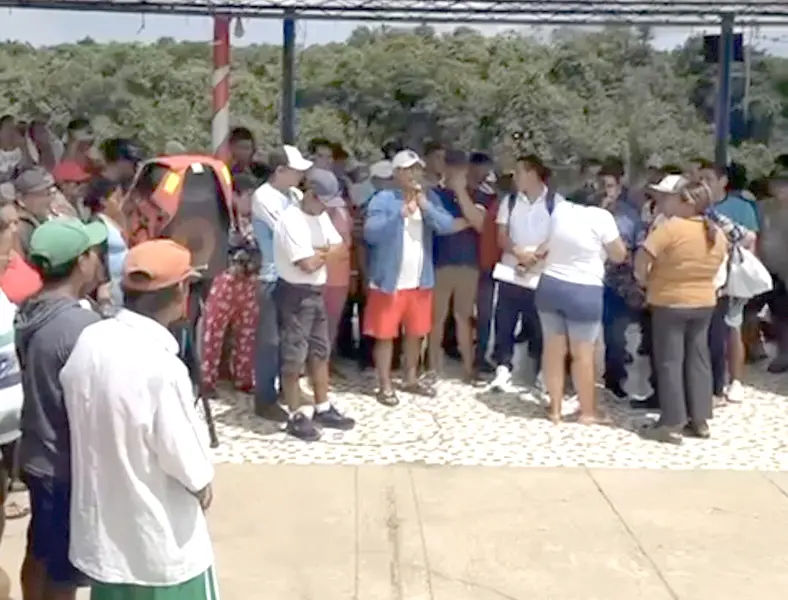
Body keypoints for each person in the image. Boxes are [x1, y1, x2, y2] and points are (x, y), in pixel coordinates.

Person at [60, 239, 218, 600]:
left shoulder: (90, 341)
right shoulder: (162, 366)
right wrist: (203, 486)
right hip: (162, 550)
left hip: (105, 545)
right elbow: (189, 464)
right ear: (181, 291)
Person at [15, 216, 108, 600]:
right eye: (92, 251)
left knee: (39, 551)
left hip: (37, 455)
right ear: (82, 261)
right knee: (63, 575)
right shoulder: (81, 327)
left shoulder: (30, 311)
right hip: (66, 466)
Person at [635, 179, 727, 444]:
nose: (670, 202)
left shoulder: (670, 228)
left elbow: (643, 260)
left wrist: (646, 282)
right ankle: (699, 419)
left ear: (688, 202)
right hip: (703, 302)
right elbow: (720, 261)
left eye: (675, 198)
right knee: (699, 359)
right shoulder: (715, 232)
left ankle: (672, 420)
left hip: (670, 301)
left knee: (670, 361)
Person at [363, 149, 456, 406]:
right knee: (385, 335)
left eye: (418, 169)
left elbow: (446, 226)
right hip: (389, 282)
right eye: (409, 169)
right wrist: (400, 213)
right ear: (397, 173)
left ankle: (411, 378)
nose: (415, 174)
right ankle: (385, 384)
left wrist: (426, 207)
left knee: (416, 332)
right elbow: (371, 233)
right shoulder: (383, 199)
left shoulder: (429, 197)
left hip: (419, 281)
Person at [274, 168, 355, 440]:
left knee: (320, 350)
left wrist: (320, 253)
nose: (326, 208)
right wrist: (324, 253)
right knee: (294, 354)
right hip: (295, 293)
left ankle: (322, 406)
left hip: (317, 291)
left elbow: (341, 247)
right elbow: (305, 264)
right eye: (323, 201)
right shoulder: (291, 220)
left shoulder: (322, 218)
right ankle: (296, 413)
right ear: (311, 194)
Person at [535, 187, 627, 423]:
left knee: (553, 351)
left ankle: (554, 409)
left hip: (551, 284)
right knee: (582, 354)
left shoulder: (560, 210)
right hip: (584, 290)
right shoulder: (602, 218)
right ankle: (587, 411)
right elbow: (619, 255)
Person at [250, 145, 313, 421]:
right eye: (296, 170)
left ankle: (289, 389)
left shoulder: (295, 195)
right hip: (271, 277)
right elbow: (288, 232)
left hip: (296, 276)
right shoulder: (263, 197)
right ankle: (264, 398)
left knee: (293, 340)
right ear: (280, 171)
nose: (301, 175)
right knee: (270, 342)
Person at [491, 154, 562, 392]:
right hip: (511, 272)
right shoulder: (509, 202)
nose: (515, 178)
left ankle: (543, 371)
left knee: (541, 325)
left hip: (541, 276)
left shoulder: (556, 203)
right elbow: (501, 235)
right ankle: (503, 367)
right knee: (505, 321)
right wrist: (518, 253)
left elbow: (558, 237)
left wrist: (535, 257)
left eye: (519, 172)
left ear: (533, 174)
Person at [200, 176, 261, 396]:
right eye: (247, 196)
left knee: (247, 331)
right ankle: (207, 379)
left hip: (249, 281)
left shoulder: (256, 220)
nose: (251, 202)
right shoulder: (223, 219)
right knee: (214, 331)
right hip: (225, 278)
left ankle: (243, 377)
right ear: (235, 195)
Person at [428, 149, 485, 380]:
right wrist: (465, 221)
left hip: (468, 264)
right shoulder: (433, 194)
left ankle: (468, 368)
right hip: (440, 262)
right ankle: (432, 367)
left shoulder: (478, 195)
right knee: (436, 318)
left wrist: (461, 193)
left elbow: (480, 224)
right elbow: (442, 225)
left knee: (464, 317)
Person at [598, 161, 644, 399]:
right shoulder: (584, 212)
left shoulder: (630, 215)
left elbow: (638, 246)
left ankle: (615, 378)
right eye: (602, 186)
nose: (606, 191)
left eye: (610, 186)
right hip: (589, 279)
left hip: (617, 282)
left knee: (616, 336)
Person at [82, 177, 128, 309]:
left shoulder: (113, 221)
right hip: (108, 290)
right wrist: (103, 288)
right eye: (116, 198)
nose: (121, 202)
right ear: (103, 200)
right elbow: (95, 257)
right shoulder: (97, 224)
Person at [14, 168, 58, 257]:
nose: (48, 200)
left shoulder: (42, 218)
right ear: (20, 199)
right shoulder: (17, 229)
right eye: (41, 195)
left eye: (48, 193)